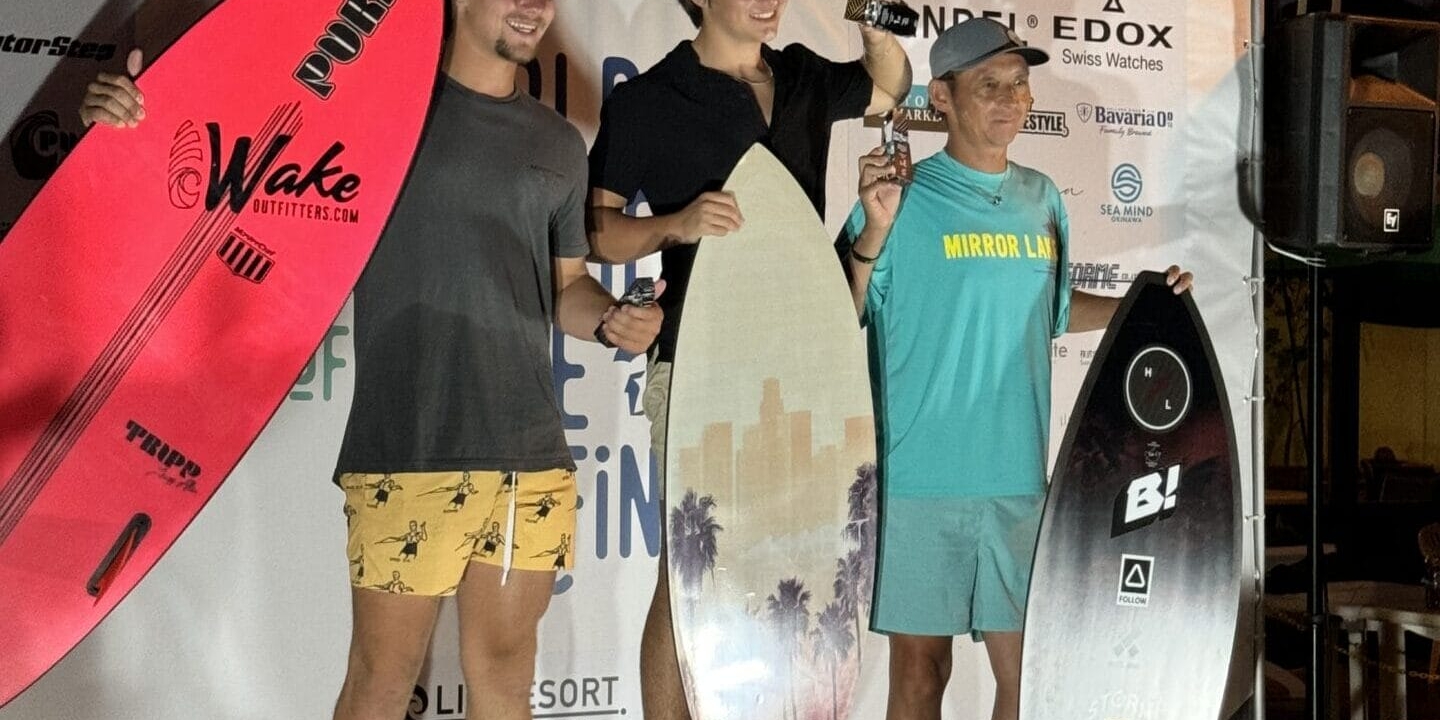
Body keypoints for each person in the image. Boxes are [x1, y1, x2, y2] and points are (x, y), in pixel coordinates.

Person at [79, 2, 663, 719]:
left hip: (529, 461)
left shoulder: (559, 144)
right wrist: (122, 125)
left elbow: (566, 286)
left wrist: (608, 320)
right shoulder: (377, 113)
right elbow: (216, 174)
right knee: (382, 684)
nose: (533, 6)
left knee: (507, 677)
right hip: (406, 452)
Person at [837, 18, 1193, 720]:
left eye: (1020, 84)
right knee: (920, 674)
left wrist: (1142, 302)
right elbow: (846, 305)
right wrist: (873, 229)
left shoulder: (1044, 198)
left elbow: (1053, 310)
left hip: (1021, 482)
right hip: (921, 477)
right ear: (941, 95)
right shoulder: (899, 199)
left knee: (1030, 678)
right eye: (988, 85)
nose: (1010, 100)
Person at [585, 1, 911, 716]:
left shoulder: (803, 77)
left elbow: (890, 85)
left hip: (807, 370)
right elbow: (596, 230)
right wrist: (675, 222)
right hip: (701, 367)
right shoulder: (651, 98)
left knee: (803, 563)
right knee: (689, 578)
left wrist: (876, 25)